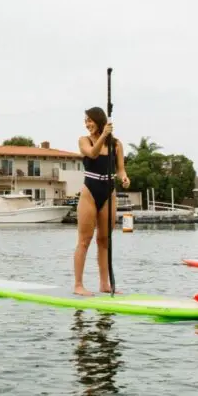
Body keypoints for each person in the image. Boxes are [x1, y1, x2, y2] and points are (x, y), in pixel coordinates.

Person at [73, 107, 130, 296]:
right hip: (90, 191)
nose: (87, 124)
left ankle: (104, 284)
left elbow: (120, 168)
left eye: (90, 120)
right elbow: (92, 154)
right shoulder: (84, 140)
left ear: (99, 120)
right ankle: (78, 285)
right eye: (85, 121)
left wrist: (124, 178)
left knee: (104, 240)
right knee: (84, 240)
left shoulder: (116, 144)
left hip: (109, 191)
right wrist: (103, 135)